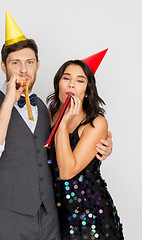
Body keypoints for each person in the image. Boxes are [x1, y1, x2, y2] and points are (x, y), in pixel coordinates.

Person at [0, 11, 113, 240]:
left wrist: (102, 148)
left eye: (30, 62)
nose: (24, 70)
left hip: (52, 218)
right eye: (15, 63)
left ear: (38, 66)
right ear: (4, 67)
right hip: (8, 220)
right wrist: (8, 101)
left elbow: (70, 145)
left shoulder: (48, 113)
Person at [47, 50, 124, 240]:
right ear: (58, 84)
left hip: (90, 216)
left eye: (80, 80)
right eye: (66, 78)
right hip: (54, 214)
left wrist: (63, 125)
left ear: (88, 91)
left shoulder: (95, 123)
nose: (72, 83)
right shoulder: (46, 115)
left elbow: (66, 171)